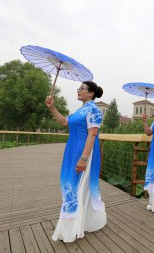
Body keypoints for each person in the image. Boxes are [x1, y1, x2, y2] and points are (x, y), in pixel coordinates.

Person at [45, 81, 107, 243]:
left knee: (75, 186)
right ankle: (84, 221)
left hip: (84, 152)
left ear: (91, 93)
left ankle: (69, 229)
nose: (78, 90)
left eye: (82, 89)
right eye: (78, 88)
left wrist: (84, 158)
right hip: (72, 150)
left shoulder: (94, 110)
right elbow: (65, 122)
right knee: (69, 184)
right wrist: (52, 108)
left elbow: (92, 135)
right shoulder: (80, 110)